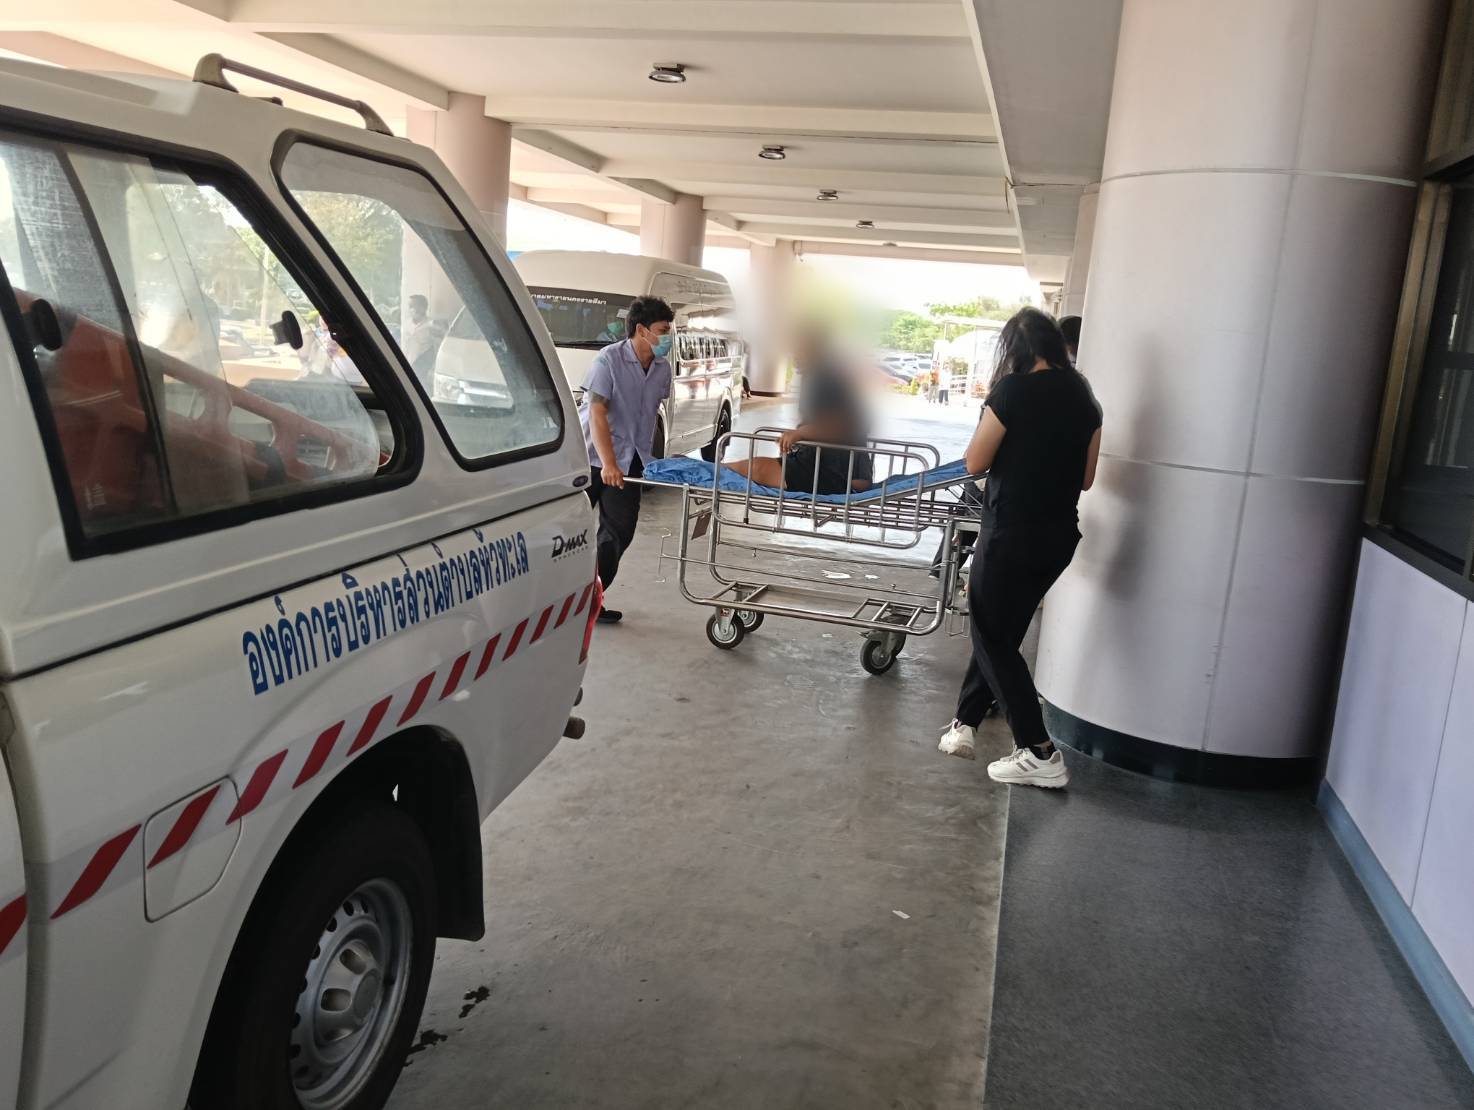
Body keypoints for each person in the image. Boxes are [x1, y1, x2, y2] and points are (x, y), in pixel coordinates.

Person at [936, 307, 1102, 789]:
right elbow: (1087, 479)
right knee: (1001, 632)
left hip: (1011, 532)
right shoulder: (1086, 400)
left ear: (1015, 350)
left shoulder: (1011, 391)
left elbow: (975, 461)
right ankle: (964, 723)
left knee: (991, 633)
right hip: (1058, 538)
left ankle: (1038, 750)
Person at [582, 296, 675, 624]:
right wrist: (609, 463)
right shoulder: (608, 360)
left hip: (632, 460)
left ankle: (589, 602)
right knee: (566, 531)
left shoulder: (662, 369)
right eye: (663, 330)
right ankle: (556, 601)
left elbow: (649, 413)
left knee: (619, 532)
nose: (668, 338)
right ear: (641, 330)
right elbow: (597, 412)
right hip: (591, 458)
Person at [724, 328, 872, 494]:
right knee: (755, 467)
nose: (793, 354)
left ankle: (712, 471)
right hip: (835, 468)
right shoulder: (823, 374)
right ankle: (714, 471)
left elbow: (842, 425)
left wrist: (800, 434)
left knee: (756, 468)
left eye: (798, 348)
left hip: (834, 472)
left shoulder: (826, 377)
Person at [401, 294, 439, 389]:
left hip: (423, 367)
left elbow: (436, 347)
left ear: (423, 308)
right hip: (406, 364)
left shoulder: (431, 325)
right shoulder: (406, 324)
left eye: (413, 306)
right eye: (409, 306)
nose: (410, 309)